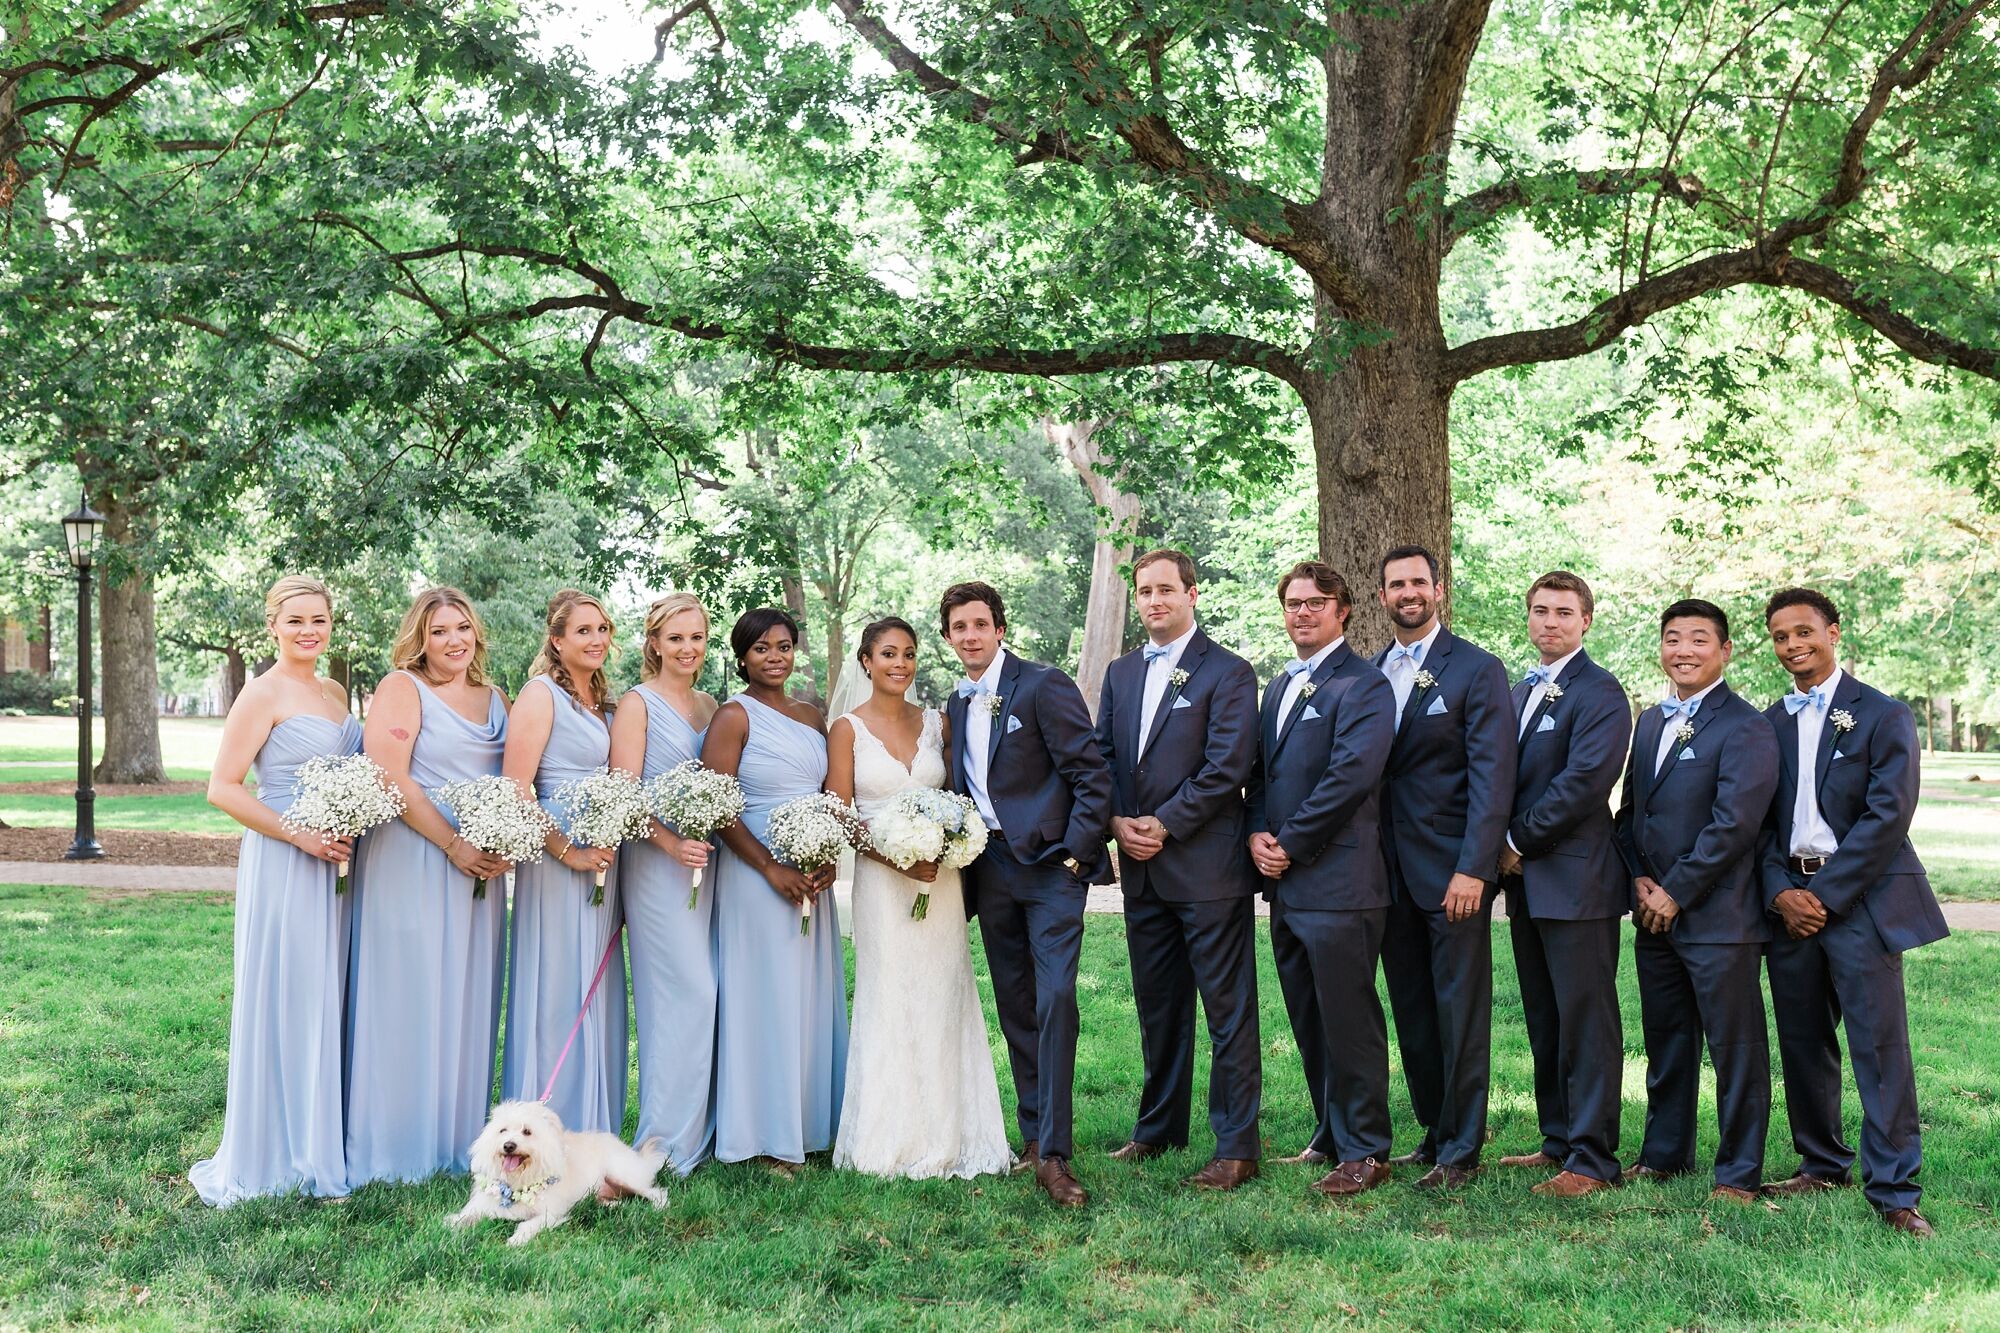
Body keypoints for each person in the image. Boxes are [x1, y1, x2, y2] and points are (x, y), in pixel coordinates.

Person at [1759, 587, 1949, 1236]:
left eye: (1804, 631)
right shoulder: (1771, 721)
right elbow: (1753, 820)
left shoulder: (1882, 714)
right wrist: (1782, 891)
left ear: (1834, 631)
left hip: (1860, 900)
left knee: (1878, 1044)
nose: (1793, 644)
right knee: (1803, 1040)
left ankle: (1895, 1189)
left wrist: (1826, 894)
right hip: (1789, 903)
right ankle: (1822, 1162)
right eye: (1781, 635)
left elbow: (1888, 816)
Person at [1093, 549, 1262, 1190]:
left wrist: (1163, 823)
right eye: (1144, 591)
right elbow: (1102, 755)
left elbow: (1227, 766)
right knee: (1158, 1007)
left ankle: (1237, 1145)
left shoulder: (1229, 672)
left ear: (1193, 595)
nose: (1154, 601)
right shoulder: (1120, 673)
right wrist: (1115, 821)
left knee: (1228, 1010)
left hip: (1206, 865)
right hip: (1141, 870)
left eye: (1166, 589)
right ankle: (1159, 1128)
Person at [941, 580, 1112, 1207]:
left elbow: (1091, 774)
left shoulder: (1042, 685)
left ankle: (1058, 1155)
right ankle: (1035, 1136)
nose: (971, 636)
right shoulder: (957, 704)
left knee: (1057, 996)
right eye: (959, 628)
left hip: (1049, 870)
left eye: (980, 624)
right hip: (988, 868)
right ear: (949, 637)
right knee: (1015, 1004)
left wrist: (1075, 854)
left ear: (999, 627)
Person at [192, 575, 358, 1205]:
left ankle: (321, 1142)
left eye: (319, 619)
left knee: (325, 996)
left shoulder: (334, 690)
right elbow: (224, 788)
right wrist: (301, 837)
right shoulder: (260, 693)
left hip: (336, 860)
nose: (309, 630)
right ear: (272, 626)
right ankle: (280, 1156)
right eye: (295, 621)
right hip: (287, 858)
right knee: (290, 995)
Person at [828, 616, 1013, 1179]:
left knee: (944, 994)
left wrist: (950, 842)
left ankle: (954, 1133)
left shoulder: (938, 721)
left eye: (908, 653)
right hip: (884, 885)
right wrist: (896, 855)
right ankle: (888, 1138)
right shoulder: (847, 729)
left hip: (941, 883)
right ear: (866, 661)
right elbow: (838, 812)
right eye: (888, 654)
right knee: (890, 997)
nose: (900, 664)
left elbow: (961, 795)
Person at [346, 587, 513, 1185]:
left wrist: (503, 841)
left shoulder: (497, 697)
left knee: (467, 994)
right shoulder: (401, 688)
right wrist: (453, 843)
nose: (455, 641)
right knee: (410, 995)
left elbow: (513, 778)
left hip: (481, 869)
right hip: (415, 856)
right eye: (440, 631)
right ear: (420, 637)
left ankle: (453, 1145)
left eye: (463, 627)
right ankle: (396, 1149)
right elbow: (391, 779)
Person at [1614, 598, 1779, 1204]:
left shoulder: (1746, 727)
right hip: (1653, 912)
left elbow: (1734, 825)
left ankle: (1739, 1172)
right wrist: (1638, 880)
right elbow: (1632, 812)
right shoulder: (1651, 721)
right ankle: (1664, 1156)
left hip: (1720, 917)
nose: (1683, 650)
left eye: (1699, 640)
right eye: (1673, 639)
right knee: (1666, 1040)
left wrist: (1678, 892)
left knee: (1734, 1050)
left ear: (1725, 651)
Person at [1247, 561, 1398, 1198]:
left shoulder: (1363, 686)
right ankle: (1331, 1134)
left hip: (1340, 880)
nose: (1302, 613)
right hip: (1286, 885)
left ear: (1342, 612)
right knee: (1308, 1014)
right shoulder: (1280, 685)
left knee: (1348, 1015)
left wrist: (1290, 842)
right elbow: (1261, 774)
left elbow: (1350, 777)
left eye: (1315, 603)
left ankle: (1367, 1149)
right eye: (1293, 603)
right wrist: (1256, 829)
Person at [1372, 545, 1516, 1189]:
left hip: (1453, 872)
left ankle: (1463, 1148)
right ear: (1382, 597)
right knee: (1413, 1006)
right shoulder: (1374, 670)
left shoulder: (1476, 670)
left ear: (1438, 590)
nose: (1408, 592)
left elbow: (1493, 778)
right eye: (1396, 584)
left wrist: (1475, 869)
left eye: (1418, 582)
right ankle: (1433, 1130)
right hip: (1386, 873)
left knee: (1459, 1009)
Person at [1492, 571, 1631, 1197]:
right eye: (1540, 611)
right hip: (1526, 885)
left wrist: (1515, 842)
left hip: (1575, 880)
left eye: (1564, 613)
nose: (1551, 622)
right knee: (1545, 1016)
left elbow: (1582, 785)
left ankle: (1594, 1157)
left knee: (1586, 1020)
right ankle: (1557, 1139)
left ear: (1586, 622)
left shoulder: (1600, 693)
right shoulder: (1523, 689)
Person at [703, 608, 846, 1171]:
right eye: (761, 648)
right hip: (754, 872)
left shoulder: (813, 716)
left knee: (807, 993)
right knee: (762, 995)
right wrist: (769, 867)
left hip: (810, 866)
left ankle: (810, 1122)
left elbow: (833, 794)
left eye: (784, 646)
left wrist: (827, 856)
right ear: (742, 657)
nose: (775, 657)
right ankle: (762, 1133)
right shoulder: (732, 717)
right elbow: (718, 806)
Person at [498, 590, 626, 1133]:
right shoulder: (540, 694)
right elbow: (517, 786)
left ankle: (591, 1118)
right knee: (556, 981)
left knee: (592, 983)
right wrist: (566, 850)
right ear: (557, 640)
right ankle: (541, 1122)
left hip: (602, 851)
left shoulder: (601, 700)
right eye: (583, 631)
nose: (596, 639)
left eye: (602, 629)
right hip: (556, 859)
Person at [608, 593, 723, 1175]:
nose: (687, 648)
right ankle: (663, 1144)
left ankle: (698, 1134)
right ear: (653, 643)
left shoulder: (708, 704)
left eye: (697, 637)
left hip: (707, 860)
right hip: (658, 862)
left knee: (704, 994)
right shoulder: (638, 703)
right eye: (675, 638)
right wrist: (671, 842)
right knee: (686, 993)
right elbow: (623, 793)